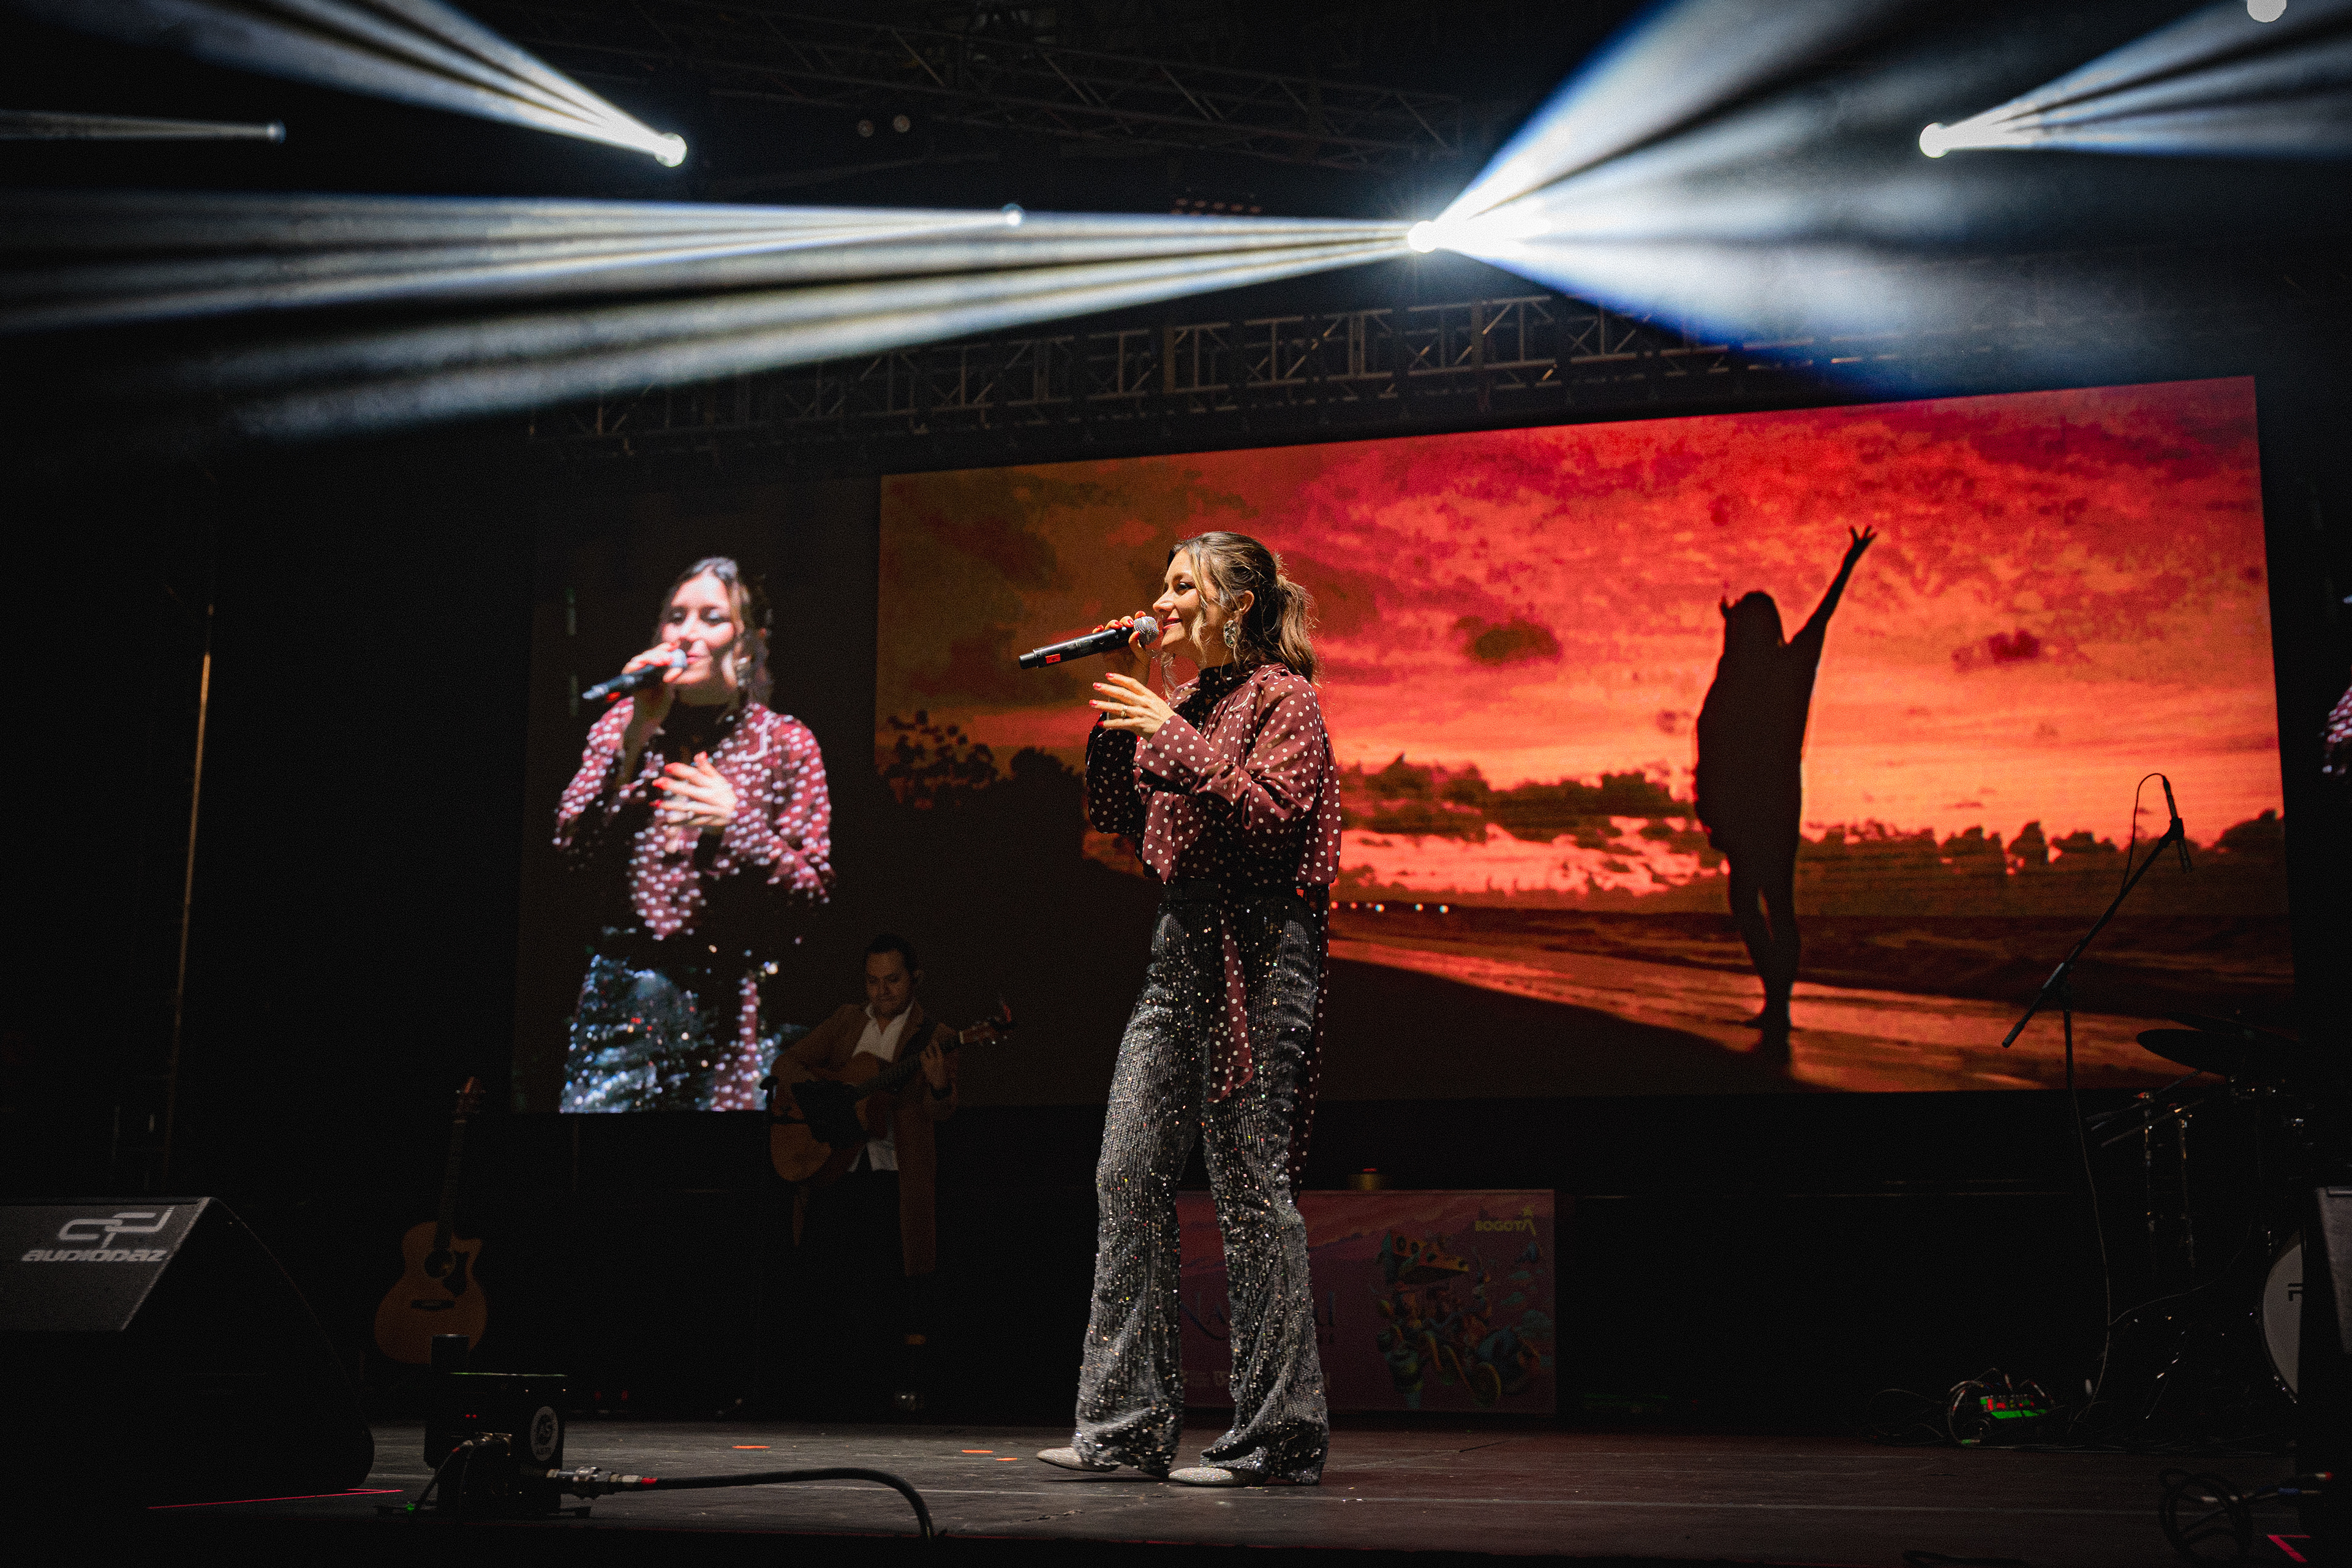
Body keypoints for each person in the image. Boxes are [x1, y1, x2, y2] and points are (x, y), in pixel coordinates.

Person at [1035, 530, 1341, 1488]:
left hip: (1261, 951)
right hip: (1180, 953)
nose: (1161, 601)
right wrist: (1130, 712)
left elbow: (1276, 816)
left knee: (1251, 1192)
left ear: (1238, 602)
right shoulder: (1189, 702)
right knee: (1127, 1175)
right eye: (1161, 585)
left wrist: (1169, 734)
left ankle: (1278, 1435)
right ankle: (1125, 1427)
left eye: (1182, 586)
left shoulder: (1284, 699)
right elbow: (1119, 815)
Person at [555, 556, 832, 1112]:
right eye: (676, 616)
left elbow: (813, 896)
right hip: (621, 1006)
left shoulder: (785, 744)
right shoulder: (623, 727)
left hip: (729, 1013)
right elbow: (568, 855)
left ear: (748, 644)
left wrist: (740, 829)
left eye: (712, 617)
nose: (687, 632)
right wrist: (636, 737)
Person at [775, 933, 992, 1413]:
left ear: (915, 979)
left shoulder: (935, 1035)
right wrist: (830, 1095)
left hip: (895, 1176)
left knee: (887, 1287)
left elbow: (941, 1112)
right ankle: (828, 1391)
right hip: (837, 1169)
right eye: (872, 982)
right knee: (830, 1282)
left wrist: (938, 1085)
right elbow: (786, 1063)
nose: (882, 991)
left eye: (892, 980)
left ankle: (885, 1392)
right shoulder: (845, 1021)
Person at [1694, 526, 1876, 1035]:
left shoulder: (1762, 673)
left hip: (1761, 803)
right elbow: (1712, 739)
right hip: (1765, 803)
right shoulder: (1760, 672)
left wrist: (1848, 565)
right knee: (1768, 902)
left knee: (1759, 902)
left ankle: (1778, 1001)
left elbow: (1821, 618)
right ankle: (1778, 1001)